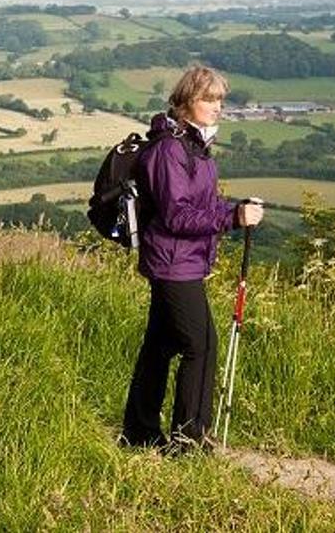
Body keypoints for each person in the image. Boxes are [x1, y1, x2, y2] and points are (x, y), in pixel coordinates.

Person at [120, 65, 264, 454]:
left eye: (220, 99)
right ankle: (189, 441)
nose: (218, 107)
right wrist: (231, 218)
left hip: (182, 260)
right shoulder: (170, 149)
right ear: (186, 102)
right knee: (201, 344)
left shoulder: (195, 147)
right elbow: (176, 215)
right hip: (172, 263)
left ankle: (138, 431)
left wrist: (234, 208)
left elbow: (202, 204)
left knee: (160, 346)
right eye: (209, 99)